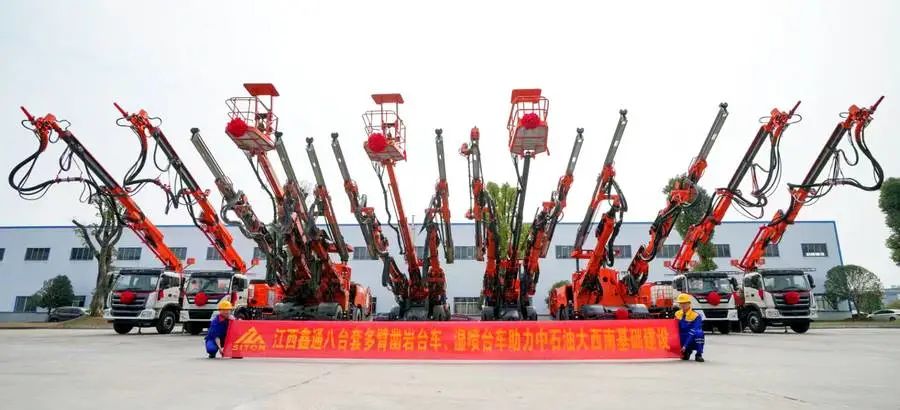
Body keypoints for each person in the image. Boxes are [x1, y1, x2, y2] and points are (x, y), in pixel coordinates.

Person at [675, 293, 705, 362]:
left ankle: (698, 354)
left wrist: (685, 345)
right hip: (682, 337)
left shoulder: (696, 316)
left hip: (691, 337)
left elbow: (694, 331)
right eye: (681, 303)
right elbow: (674, 329)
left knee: (699, 333)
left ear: (689, 303)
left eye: (685, 303)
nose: (683, 305)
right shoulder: (677, 314)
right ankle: (686, 351)